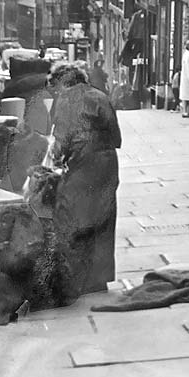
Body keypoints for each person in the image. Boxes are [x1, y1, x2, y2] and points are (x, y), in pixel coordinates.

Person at [41, 61, 123, 297]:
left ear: (61, 83)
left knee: (71, 215)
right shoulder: (100, 95)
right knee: (104, 219)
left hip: (82, 163)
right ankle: (99, 280)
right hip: (107, 163)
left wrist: (55, 159)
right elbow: (116, 138)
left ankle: (75, 277)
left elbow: (61, 139)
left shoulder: (65, 99)